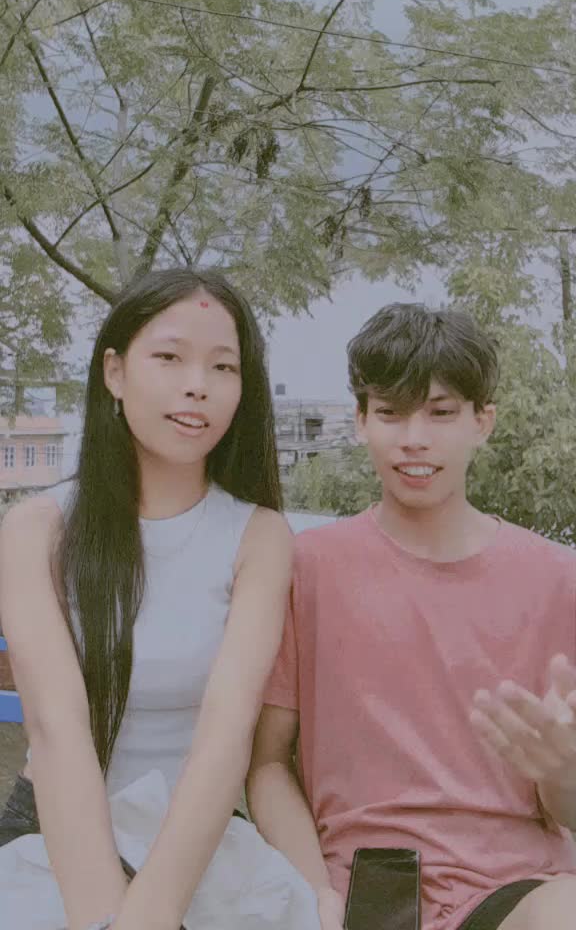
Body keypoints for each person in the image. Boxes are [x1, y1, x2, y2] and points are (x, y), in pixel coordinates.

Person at [0, 268, 320, 930]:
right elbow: (57, 732)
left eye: (223, 366)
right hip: (55, 835)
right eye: (170, 357)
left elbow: (226, 737)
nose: (197, 384)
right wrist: (104, 918)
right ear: (115, 373)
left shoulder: (259, 538)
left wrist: (151, 913)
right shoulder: (35, 530)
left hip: (198, 843)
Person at [247, 303, 576, 930]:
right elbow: (266, 764)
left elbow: (569, 808)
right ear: (361, 421)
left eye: (441, 413)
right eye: (391, 413)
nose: (414, 438)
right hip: (358, 892)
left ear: (482, 421)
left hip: (517, 892)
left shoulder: (557, 579)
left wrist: (565, 773)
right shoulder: (307, 567)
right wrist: (315, 893)